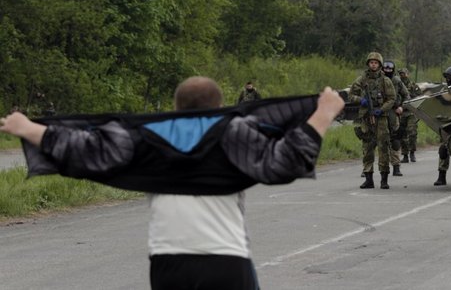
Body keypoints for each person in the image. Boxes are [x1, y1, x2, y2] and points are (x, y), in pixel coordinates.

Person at [0, 76, 345, 290]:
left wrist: (27, 127)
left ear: (175, 108)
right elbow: (284, 161)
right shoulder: (233, 131)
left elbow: (85, 148)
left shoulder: (145, 135)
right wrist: (324, 112)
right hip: (225, 262)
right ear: (221, 107)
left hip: (168, 266)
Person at [349, 52, 396, 189]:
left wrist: (381, 109)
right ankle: (368, 177)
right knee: (367, 147)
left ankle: (384, 179)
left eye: (376, 63)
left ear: (380, 65)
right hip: (366, 118)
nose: (373, 65)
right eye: (371, 62)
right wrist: (361, 100)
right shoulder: (361, 80)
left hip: (381, 118)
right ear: (368, 64)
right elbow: (351, 95)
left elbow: (392, 99)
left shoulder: (385, 81)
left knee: (383, 147)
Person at [381, 60, 409, 176]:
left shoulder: (397, 81)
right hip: (380, 113)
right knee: (377, 140)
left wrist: (402, 107)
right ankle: (370, 168)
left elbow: (406, 95)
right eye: (385, 68)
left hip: (393, 112)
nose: (387, 70)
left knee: (395, 140)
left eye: (390, 68)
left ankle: (396, 166)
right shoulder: (378, 80)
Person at [398, 68, 422, 163]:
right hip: (401, 111)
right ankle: (405, 155)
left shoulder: (413, 85)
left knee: (412, 132)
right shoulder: (397, 85)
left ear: (408, 74)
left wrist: (410, 96)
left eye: (404, 73)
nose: (402, 75)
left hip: (411, 111)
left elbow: (419, 96)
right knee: (402, 134)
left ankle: (412, 152)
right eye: (400, 74)